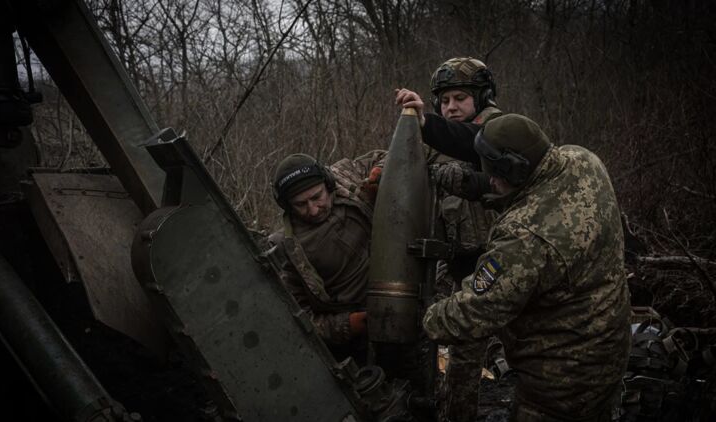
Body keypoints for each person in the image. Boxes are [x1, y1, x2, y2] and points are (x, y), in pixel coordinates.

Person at [422, 113, 632, 421]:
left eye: (495, 173)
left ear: (515, 169)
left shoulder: (522, 237)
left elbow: (476, 310)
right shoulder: (582, 159)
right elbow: (537, 198)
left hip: (561, 381)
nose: (490, 179)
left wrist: (424, 318)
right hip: (611, 348)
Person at [395, 57, 503, 422]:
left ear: (482, 97)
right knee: (457, 361)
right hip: (457, 266)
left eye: (460, 98)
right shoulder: (439, 137)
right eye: (444, 100)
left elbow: (473, 142)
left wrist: (427, 122)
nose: (451, 107)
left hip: (501, 265)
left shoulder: (499, 129)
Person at [267, 151, 385, 364]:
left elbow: (391, 154)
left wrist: (381, 173)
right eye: (300, 204)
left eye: (316, 197)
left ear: (328, 184)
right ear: (287, 205)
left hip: (401, 285)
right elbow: (300, 319)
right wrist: (348, 325)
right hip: (361, 332)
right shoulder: (287, 250)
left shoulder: (346, 176)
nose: (313, 210)